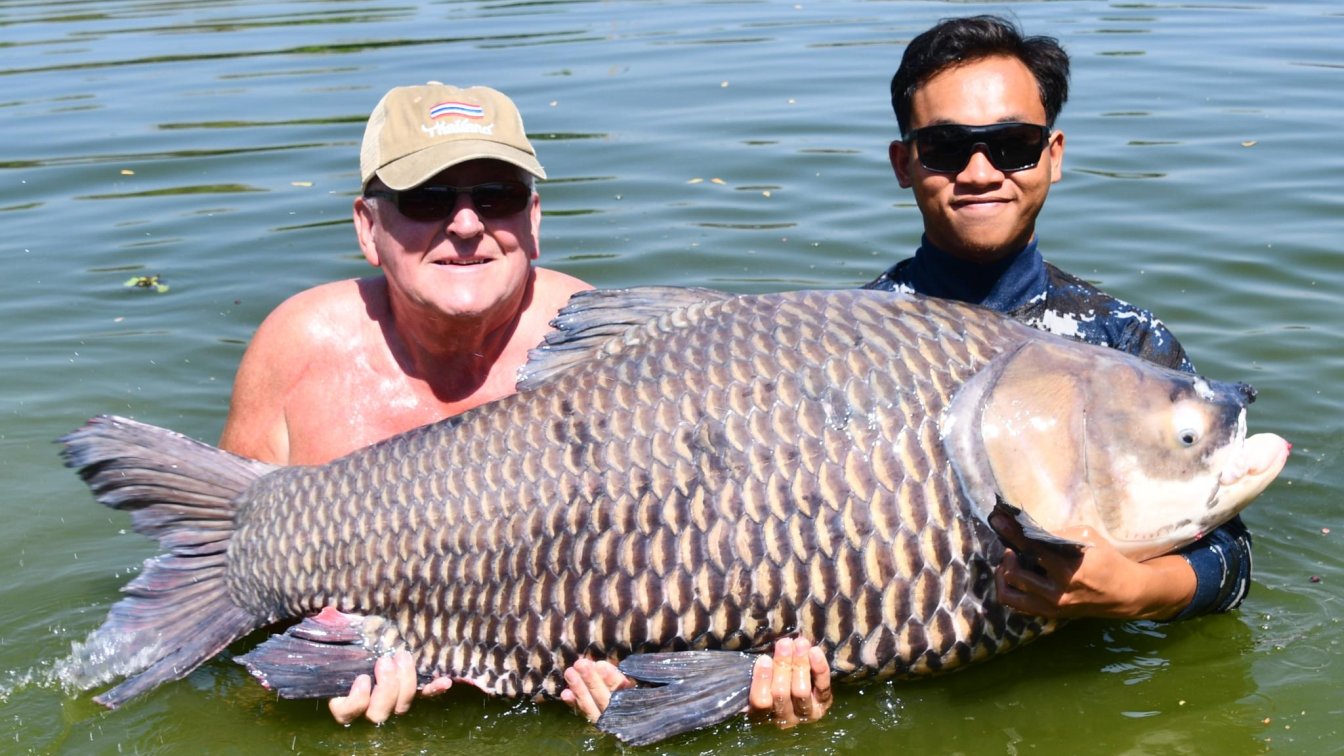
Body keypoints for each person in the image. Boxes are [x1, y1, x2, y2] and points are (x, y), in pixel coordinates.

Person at [218, 82, 830, 728]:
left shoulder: (608, 356)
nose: (464, 223)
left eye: (496, 196)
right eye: (426, 198)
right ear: (368, 227)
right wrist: (301, 695)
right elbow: (229, 642)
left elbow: (704, 572)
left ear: (533, 221)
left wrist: (684, 688)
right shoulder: (297, 351)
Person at [863, 15, 1252, 621]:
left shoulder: (1122, 340)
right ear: (903, 163)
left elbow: (1230, 557)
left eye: (1013, 145)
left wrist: (1137, 592)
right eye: (945, 148)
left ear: (1053, 155)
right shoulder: (847, 341)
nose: (980, 173)